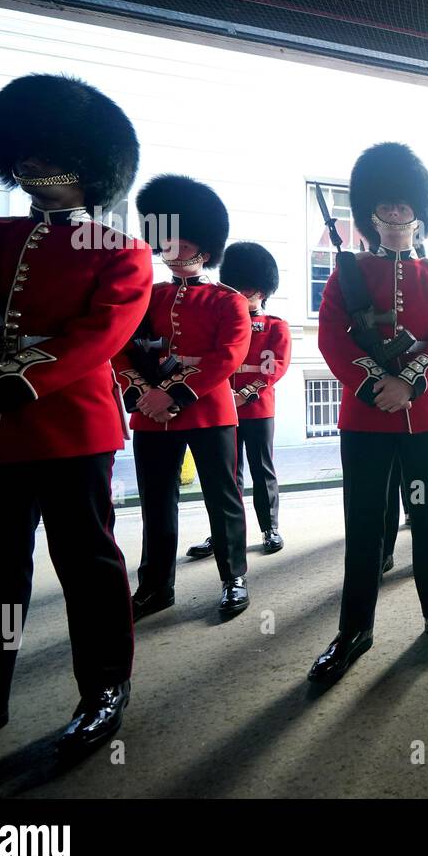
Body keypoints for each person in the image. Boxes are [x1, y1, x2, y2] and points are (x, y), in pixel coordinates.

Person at [0, 74, 148, 777]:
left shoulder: (119, 250)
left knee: (88, 568)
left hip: (66, 433)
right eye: (21, 150)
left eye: (44, 150)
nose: (27, 163)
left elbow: (94, 339)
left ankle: (105, 687)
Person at [309, 142, 428, 684]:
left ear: (418, 215)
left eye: (405, 207)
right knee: (365, 525)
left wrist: (408, 381)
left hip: (423, 418)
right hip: (367, 419)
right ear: (370, 215)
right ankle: (354, 629)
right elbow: (332, 337)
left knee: (427, 519)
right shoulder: (346, 274)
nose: (396, 215)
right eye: (387, 207)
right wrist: (378, 382)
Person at [118, 175, 253, 620]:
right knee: (156, 502)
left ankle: (234, 577)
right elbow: (121, 348)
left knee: (223, 497)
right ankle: (155, 585)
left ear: (205, 250)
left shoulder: (227, 300)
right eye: (168, 242)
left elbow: (229, 355)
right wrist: (142, 393)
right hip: (152, 416)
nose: (172, 250)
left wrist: (174, 391)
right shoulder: (147, 296)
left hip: (209, 411)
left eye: (183, 242)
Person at [186, 241, 290, 559]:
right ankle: (225, 533)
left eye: (250, 290)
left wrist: (244, 394)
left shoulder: (274, 326)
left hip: (256, 409)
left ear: (262, 292)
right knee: (226, 476)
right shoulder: (222, 326)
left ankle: (269, 527)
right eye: (239, 289)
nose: (243, 295)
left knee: (261, 470)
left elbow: (274, 368)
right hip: (221, 410)